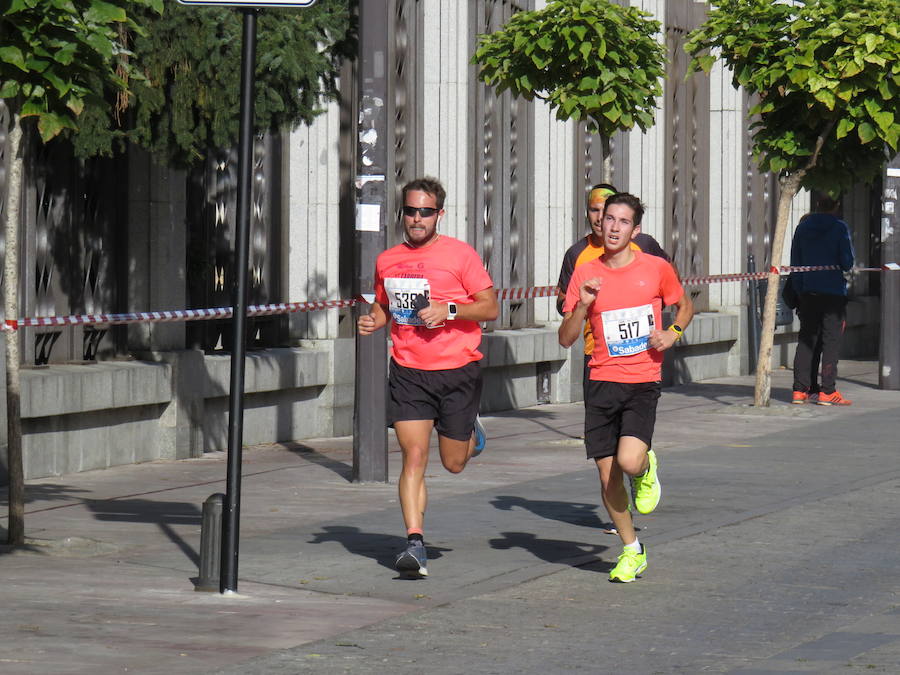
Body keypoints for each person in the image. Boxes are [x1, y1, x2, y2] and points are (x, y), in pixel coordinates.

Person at [358, 176, 499, 578]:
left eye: (426, 212)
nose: (417, 219)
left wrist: (449, 311)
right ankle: (414, 542)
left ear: (440, 214)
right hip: (409, 371)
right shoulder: (387, 260)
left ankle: (472, 432)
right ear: (402, 213)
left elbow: (489, 308)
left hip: (457, 370)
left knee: (453, 463)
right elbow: (385, 307)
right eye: (411, 211)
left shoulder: (460, 255)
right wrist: (374, 320)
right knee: (413, 455)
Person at [559, 193, 693, 583]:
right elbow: (565, 338)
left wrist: (672, 333)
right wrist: (583, 306)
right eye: (608, 219)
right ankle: (632, 549)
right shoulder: (586, 272)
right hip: (600, 381)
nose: (613, 227)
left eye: (622, 221)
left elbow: (685, 307)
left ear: (636, 230)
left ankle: (646, 466)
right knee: (607, 479)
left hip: (641, 381)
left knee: (630, 462)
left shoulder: (655, 268)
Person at [556, 184, 673, 388]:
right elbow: (563, 301)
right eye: (594, 210)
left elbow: (671, 282)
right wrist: (581, 305)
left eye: (606, 212)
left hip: (642, 359)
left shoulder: (644, 245)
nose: (600, 218)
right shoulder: (576, 254)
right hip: (597, 356)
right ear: (586, 213)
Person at [790, 194, 855, 406]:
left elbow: (796, 265)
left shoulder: (802, 228)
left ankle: (800, 390)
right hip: (833, 294)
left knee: (806, 341)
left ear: (817, 204)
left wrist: (800, 292)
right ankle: (828, 391)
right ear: (836, 205)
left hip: (808, 293)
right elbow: (847, 262)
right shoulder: (839, 228)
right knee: (831, 342)